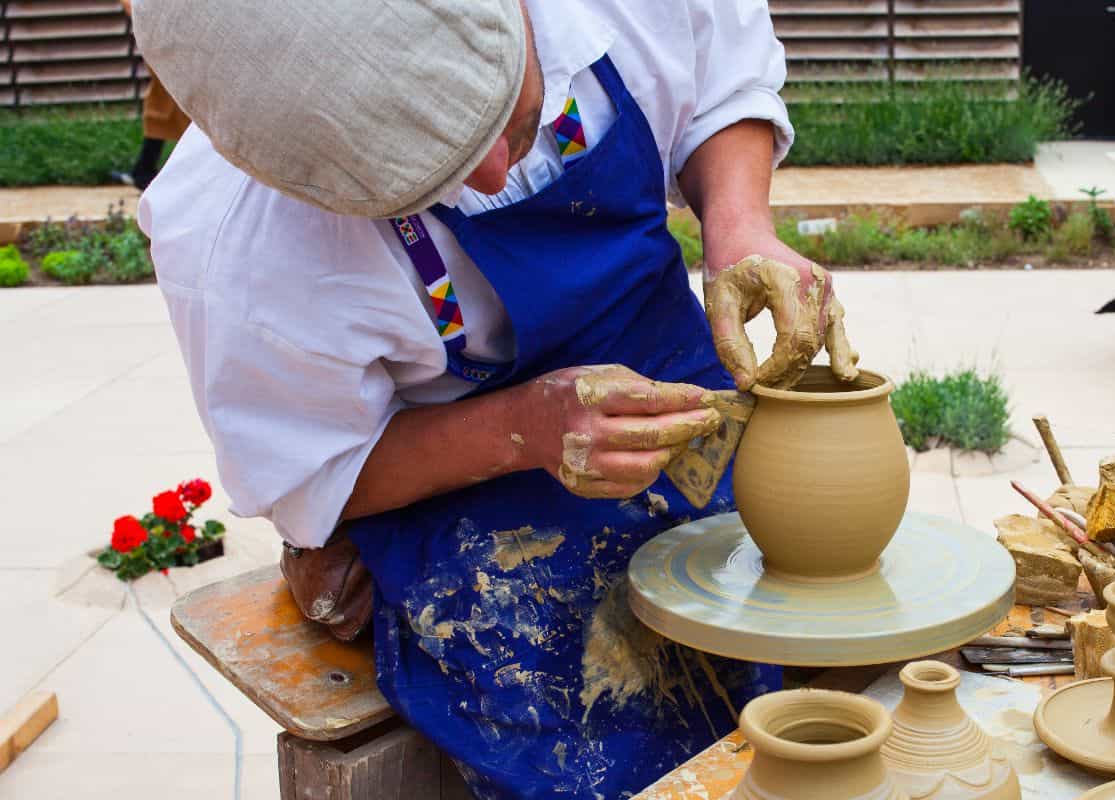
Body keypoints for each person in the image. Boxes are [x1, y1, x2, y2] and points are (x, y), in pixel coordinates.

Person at [134, 0, 859, 797]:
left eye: (508, 119)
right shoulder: (236, 248)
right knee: (592, 737)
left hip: (664, 358)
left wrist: (738, 223)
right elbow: (318, 474)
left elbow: (722, 70)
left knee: (828, 638)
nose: (490, 175)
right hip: (460, 469)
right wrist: (522, 432)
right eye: (425, 180)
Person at [111, 0, 189, 190]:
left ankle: (146, 171)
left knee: (165, 109)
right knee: (160, 109)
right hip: (166, 39)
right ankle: (144, 170)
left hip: (173, 40)